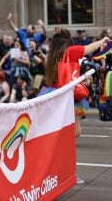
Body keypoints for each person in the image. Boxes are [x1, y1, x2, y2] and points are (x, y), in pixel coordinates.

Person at [40, 27, 109, 185]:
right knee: (73, 133)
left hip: (59, 96)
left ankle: (58, 161)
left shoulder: (54, 56)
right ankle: (63, 167)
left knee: (72, 133)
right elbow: (89, 48)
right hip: (69, 98)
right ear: (67, 42)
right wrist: (102, 40)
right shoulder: (70, 52)